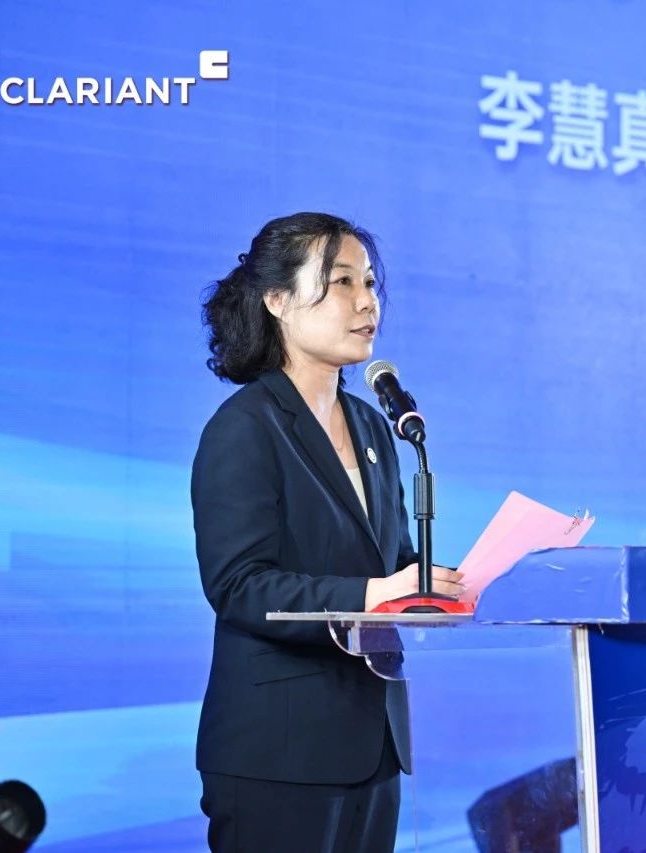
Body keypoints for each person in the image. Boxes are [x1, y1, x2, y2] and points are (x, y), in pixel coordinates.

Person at [190, 212, 464, 852]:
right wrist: (375, 593)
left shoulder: (373, 428)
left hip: (373, 745)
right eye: (342, 282)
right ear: (278, 301)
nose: (367, 302)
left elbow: (393, 564)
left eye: (369, 283)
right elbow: (240, 587)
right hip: (279, 753)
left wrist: (447, 584)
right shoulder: (246, 427)